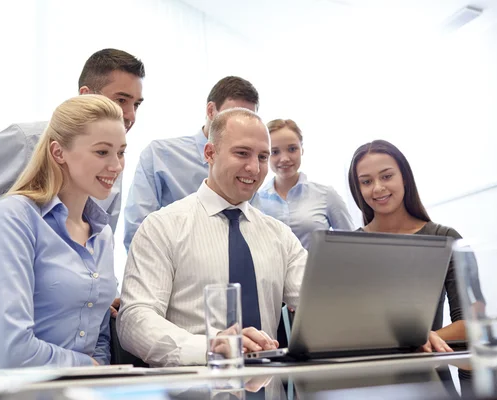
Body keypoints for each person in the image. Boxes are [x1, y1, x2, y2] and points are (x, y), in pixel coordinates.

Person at [0, 48, 144, 311]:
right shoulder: (25, 141)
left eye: (136, 104)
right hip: (1, 301)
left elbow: (97, 243)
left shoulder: (114, 164)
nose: (131, 114)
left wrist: (104, 292)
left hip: (66, 310)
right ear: (86, 95)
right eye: (121, 100)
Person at [117, 108, 307, 366]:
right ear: (209, 153)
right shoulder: (162, 228)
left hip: (269, 389)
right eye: (242, 153)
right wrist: (211, 348)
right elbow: (135, 320)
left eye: (263, 156)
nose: (254, 167)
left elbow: (320, 304)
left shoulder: (280, 236)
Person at [0, 95, 125, 368]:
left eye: (121, 152)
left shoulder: (102, 234)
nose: (116, 165)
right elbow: (12, 352)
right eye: (102, 152)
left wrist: (98, 378)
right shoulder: (16, 216)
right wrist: (87, 368)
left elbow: (99, 342)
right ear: (58, 152)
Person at [348, 139, 465, 353]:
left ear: (404, 178)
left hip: (429, 374)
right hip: (366, 373)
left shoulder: (444, 238)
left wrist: (425, 339)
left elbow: (468, 322)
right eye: (366, 181)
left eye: (386, 176)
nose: (378, 188)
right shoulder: (348, 247)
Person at [123, 76, 259, 251]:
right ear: (211, 111)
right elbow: (139, 230)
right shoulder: (160, 155)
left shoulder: (250, 167)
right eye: (232, 116)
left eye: (249, 118)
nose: (242, 127)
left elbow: (256, 227)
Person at [252, 119, 355, 249]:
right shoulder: (255, 200)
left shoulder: (326, 195)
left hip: (316, 269)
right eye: (275, 152)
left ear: (302, 149)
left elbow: (350, 245)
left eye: (292, 149)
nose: (284, 158)